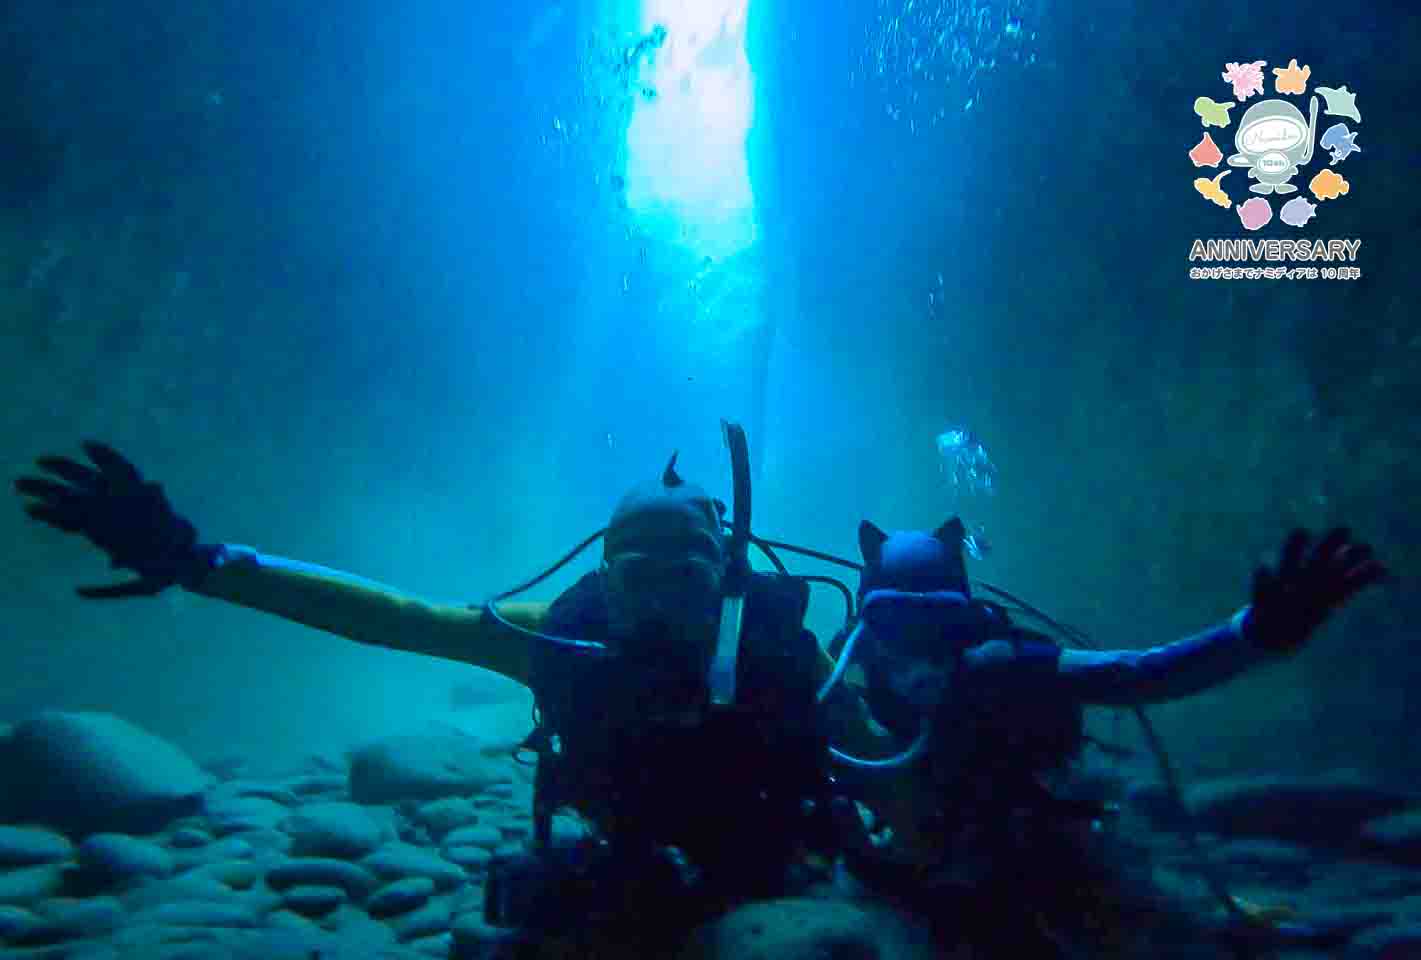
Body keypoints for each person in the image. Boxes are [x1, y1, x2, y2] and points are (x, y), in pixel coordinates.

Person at [13, 429, 854, 957]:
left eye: (688, 575)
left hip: (764, 850)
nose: (664, 600)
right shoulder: (557, 640)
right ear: (606, 579)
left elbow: (876, 753)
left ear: (726, 581)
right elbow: (398, 618)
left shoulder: (778, 657)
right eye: (641, 575)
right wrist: (200, 561)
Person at [816, 515, 1388, 957]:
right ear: (869, 626)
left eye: (935, 624)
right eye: (897, 624)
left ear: (961, 621)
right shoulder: (838, 674)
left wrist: (1257, 633)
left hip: (1023, 837)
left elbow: (1138, 673)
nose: (917, 651)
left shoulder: (1002, 666)